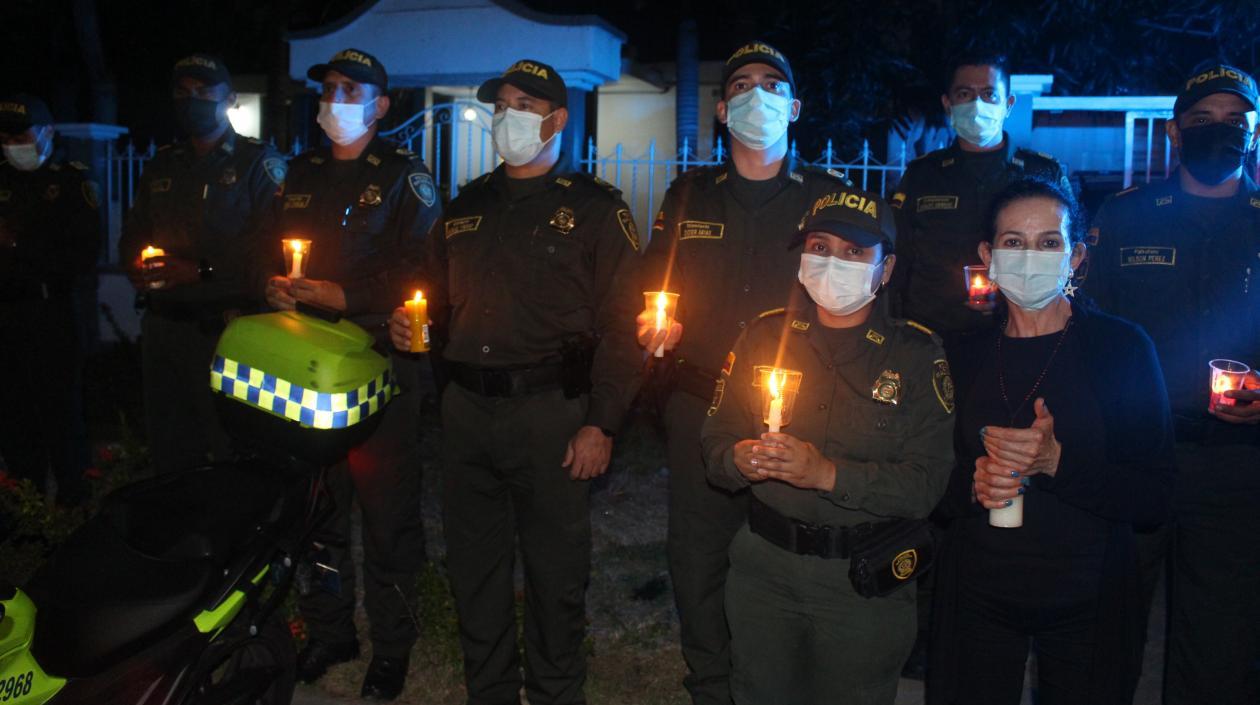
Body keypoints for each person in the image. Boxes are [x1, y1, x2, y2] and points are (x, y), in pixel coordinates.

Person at [387, 58, 641, 705]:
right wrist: (410, 326)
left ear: (556, 120)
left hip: (553, 415)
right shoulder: (465, 204)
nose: (506, 116)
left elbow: (624, 328)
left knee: (556, 574)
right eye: (500, 104)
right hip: (468, 412)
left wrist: (602, 420)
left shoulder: (593, 210)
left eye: (523, 105)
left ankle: (556, 693)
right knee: (475, 570)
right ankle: (491, 691)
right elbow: (434, 304)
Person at [638, 40, 853, 704]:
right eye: (739, 85)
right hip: (700, 407)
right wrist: (652, 321)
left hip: (802, 410)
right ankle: (711, 684)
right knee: (697, 559)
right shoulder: (689, 193)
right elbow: (655, 283)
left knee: (795, 559)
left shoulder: (828, 200)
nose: (754, 95)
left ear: (794, 106)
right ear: (722, 110)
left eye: (769, 84)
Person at [701, 187, 954, 705]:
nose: (832, 262)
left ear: (885, 270)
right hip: (764, 574)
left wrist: (826, 474)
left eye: (854, 252)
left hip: (862, 586)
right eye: (820, 247)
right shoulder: (762, 337)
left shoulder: (916, 355)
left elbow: (926, 487)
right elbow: (715, 439)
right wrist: (737, 459)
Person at [928, 178, 1175, 705]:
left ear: (1077, 256)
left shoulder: (1119, 349)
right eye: (1014, 242)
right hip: (978, 595)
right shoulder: (959, 352)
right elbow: (928, 486)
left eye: (1049, 242)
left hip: (1089, 599)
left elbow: (1154, 497)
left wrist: (1057, 461)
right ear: (987, 255)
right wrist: (972, 486)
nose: (1030, 256)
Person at [256, 48, 439, 701]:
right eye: (328, 87)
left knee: (387, 513)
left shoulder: (402, 176)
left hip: (377, 364)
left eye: (351, 89)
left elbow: (423, 271)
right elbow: (266, 252)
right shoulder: (299, 173)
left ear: (381, 106)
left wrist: (347, 295)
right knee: (318, 506)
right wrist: (275, 290)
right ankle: (331, 628)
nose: (335, 98)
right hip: (305, 367)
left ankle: (392, 644)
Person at [1082, 64, 1260, 705]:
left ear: (1255, 132)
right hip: (1136, 456)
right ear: (1175, 132)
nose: (1221, 132)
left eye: (1236, 121)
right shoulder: (1128, 217)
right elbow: (1088, 331)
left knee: (1220, 652)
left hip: (1237, 470)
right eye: (1203, 121)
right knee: (1103, 637)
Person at [119, 54, 286, 474]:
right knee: (170, 455)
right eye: (182, 93)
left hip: (225, 329)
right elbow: (135, 230)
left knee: (233, 452)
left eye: (203, 92)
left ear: (228, 99)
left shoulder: (257, 164)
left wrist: (202, 272)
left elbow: (270, 251)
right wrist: (135, 267)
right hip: (163, 329)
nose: (191, 101)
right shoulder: (163, 163)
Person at [891, 53, 1070, 341]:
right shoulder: (922, 175)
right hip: (933, 339)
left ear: (1008, 104)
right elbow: (897, 259)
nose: (977, 105)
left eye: (989, 94)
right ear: (948, 104)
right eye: (965, 94)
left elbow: (1067, 251)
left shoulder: (1041, 173)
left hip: (1019, 336)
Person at [0, 94, 101, 506]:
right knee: (14, 417)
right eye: (4, 136)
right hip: (6, 313)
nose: (12, 144)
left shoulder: (74, 183)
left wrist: (17, 242)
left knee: (61, 416)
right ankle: (27, 515)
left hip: (51, 313)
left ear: (46, 133)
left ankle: (73, 509)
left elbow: (81, 256)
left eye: (20, 134)